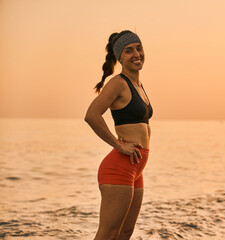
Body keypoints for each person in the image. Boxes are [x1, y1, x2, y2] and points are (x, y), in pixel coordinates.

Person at [84, 30, 153, 240]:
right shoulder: (118, 83)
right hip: (120, 166)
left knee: (125, 232)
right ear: (119, 57)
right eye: (128, 51)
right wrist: (119, 145)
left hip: (136, 167)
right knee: (108, 234)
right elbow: (92, 115)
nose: (136, 54)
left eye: (138, 48)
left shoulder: (138, 85)